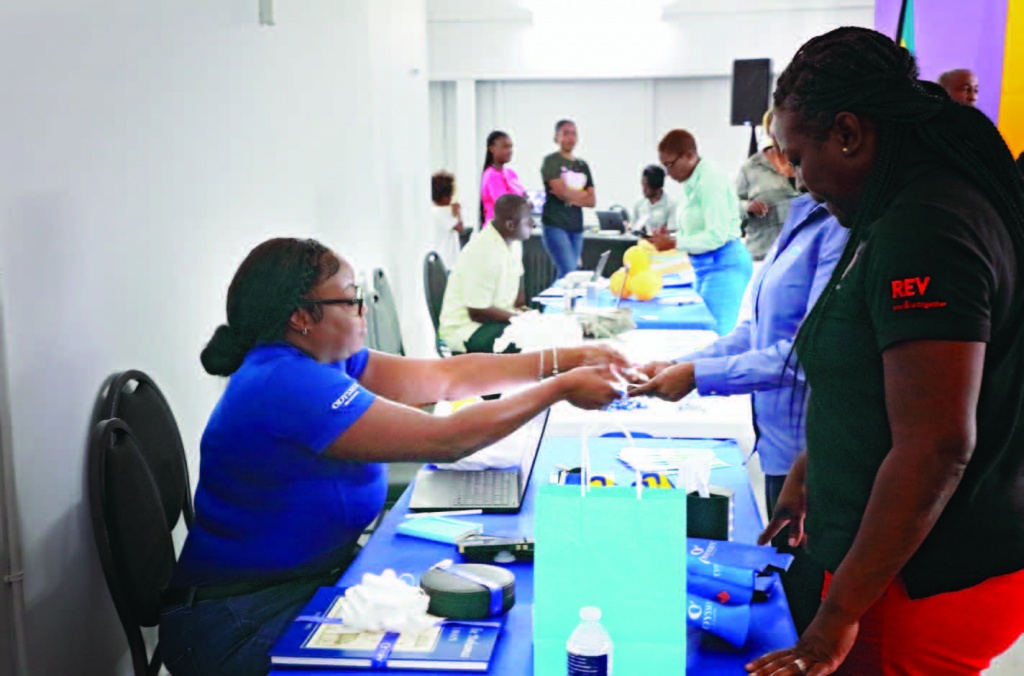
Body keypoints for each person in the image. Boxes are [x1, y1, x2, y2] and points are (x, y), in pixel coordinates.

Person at [159, 237, 627, 676]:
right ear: (302, 316)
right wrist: (559, 388)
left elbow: (447, 378)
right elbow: (447, 439)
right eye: (350, 297)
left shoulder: (327, 360)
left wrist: (568, 358)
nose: (363, 308)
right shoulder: (284, 382)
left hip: (305, 580)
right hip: (238, 620)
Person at [743, 27, 1024, 676]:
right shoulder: (899, 211)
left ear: (847, 132)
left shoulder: (927, 228)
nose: (801, 181)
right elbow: (886, 381)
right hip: (904, 564)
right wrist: (815, 467)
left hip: (921, 581)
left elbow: (936, 444)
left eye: (798, 156)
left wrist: (834, 620)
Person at [628, 189, 847, 634]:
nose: (785, 165)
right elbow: (758, 331)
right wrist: (685, 364)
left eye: (795, 152)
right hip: (779, 446)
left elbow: (809, 355)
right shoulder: (804, 214)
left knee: (803, 608)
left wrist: (698, 377)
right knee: (789, 582)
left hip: (812, 451)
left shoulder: (845, 227)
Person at [658, 129, 753, 335]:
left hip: (723, 264)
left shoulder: (710, 181)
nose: (668, 173)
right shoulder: (692, 182)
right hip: (704, 265)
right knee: (700, 333)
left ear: (689, 156)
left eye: (670, 165)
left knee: (714, 337)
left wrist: (674, 243)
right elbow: (697, 227)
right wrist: (672, 237)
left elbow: (716, 236)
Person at [439, 194, 531, 354]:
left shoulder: (514, 244)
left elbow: (519, 298)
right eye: (528, 220)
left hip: (495, 321)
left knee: (540, 334)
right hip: (468, 329)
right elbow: (477, 312)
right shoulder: (482, 251)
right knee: (528, 343)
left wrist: (528, 317)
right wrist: (518, 320)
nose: (533, 223)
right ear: (510, 225)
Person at [736, 109, 801, 260]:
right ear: (768, 130)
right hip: (763, 255)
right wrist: (748, 207)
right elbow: (730, 207)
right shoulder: (752, 167)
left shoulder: (806, 162)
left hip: (801, 255)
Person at [540, 119, 595, 279]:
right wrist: (580, 195)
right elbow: (560, 192)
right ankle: (550, 304)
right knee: (568, 272)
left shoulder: (582, 165)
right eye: (565, 133)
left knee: (570, 274)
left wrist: (571, 196)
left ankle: (557, 303)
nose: (570, 138)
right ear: (556, 137)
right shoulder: (551, 161)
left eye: (573, 133)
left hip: (576, 226)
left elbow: (592, 201)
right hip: (555, 224)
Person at [480, 130, 526, 226]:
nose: (509, 151)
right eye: (505, 147)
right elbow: (504, 204)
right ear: (492, 149)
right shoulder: (491, 175)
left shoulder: (511, 174)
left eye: (510, 147)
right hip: (496, 231)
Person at [630, 164, 676, 235]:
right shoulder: (639, 204)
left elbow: (672, 232)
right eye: (642, 184)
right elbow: (633, 228)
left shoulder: (671, 205)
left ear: (656, 186)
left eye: (646, 185)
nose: (643, 189)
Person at [431, 170, 464, 266]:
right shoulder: (442, 212)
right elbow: (460, 228)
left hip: (442, 259)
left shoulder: (433, 211)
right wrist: (457, 211)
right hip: (447, 260)